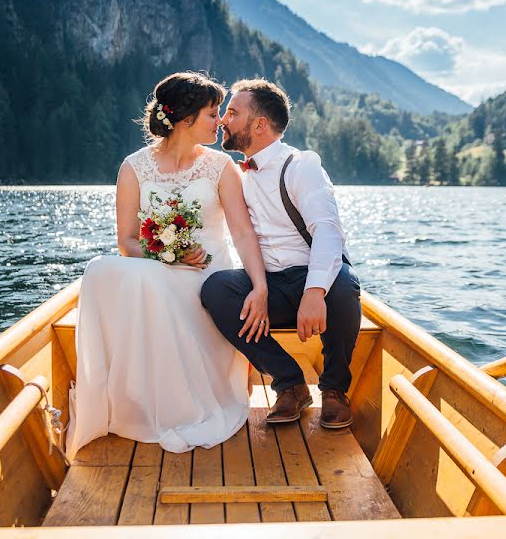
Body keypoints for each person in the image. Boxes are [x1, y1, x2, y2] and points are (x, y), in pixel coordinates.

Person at [65, 72, 270, 457]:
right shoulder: (134, 167)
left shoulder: (220, 167)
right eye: (213, 114)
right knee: (99, 270)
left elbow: (243, 234)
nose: (221, 121)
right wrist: (167, 254)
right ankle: (127, 400)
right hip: (159, 266)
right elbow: (126, 242)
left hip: (209, 274)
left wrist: (259, 286)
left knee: (148, 283)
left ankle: (184, 403)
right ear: (186, 119)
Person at [201, 79, 361, 429]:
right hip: (269, 282)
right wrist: (257, 287)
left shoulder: (301, 165)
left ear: (259, 125)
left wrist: (314, 292)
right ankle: (290, 383)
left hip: (312, 276)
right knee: (216, 290)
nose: (224, 120)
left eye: (232, 112)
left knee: (344, 286)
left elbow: (329, 234)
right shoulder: (236, 175)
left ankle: (334, 390)